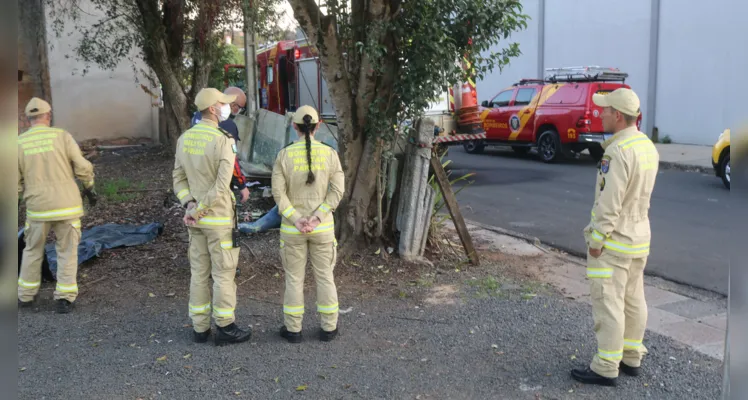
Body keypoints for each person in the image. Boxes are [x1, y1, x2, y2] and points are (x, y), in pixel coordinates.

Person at [572, 88, 660, 386]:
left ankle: (607, 365)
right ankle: (631, 357)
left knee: (608, 302)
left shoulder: (617, 152)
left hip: (614, 242)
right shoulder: (647, 146)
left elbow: (609, 203)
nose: (601, 113)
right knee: (634, 299)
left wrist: (596, 241)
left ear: (619, 116)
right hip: (639, 239)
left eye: (606, 109)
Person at [173, 87, 252, 346]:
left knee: (198, 273)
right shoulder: (223, 140)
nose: (226, 107)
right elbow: (222, 185)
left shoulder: (185, 138)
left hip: (194, 221)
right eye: (223, 103)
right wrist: (201, 209)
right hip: (217, 220)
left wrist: (189, 204)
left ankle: (200, 328)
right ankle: (226, 328)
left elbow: (178, 178)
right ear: (212, 109)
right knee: (222, 275)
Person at [271, 105, 345, 343]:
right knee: (325, 276)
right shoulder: (330, 154)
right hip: (322, 229)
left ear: (294, 126)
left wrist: (297, 218)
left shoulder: (283, 155)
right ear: (318, 126)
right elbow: (337, 191)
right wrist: (317, 217)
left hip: (292, 230)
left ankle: (293, 330)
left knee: (294, 278)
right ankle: (329, 328)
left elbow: (278, 194)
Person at [17, 97, 97, 314]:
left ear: (28, 119)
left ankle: (25, 296)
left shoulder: (19, 143)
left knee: (32, 250)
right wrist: (89, 186)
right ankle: (64, 298)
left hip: (37, 209)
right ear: (48, 115)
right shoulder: (62, 137)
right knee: (67, 251)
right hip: (67, 207)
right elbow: (82, 166)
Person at [189, 86, 250, 203]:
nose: (238, 111)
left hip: (195, 182)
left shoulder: (195, 118)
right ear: (232, 105)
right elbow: (231, 160)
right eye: (240, 108)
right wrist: (242, 186)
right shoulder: (228, 125)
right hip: (218, 185)